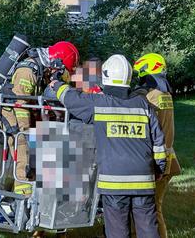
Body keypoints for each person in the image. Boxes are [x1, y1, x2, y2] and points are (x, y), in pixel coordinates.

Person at [50, 54, 167, 238]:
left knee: (118, 231)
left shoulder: (98, 104)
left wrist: (56, 83)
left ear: (105, 77)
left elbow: (71, 98)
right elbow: (159, 141)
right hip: (144, 179)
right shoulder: (143, 105)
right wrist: (159, 168)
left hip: (114, 183)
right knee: (148, 229)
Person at [1, 41, 79, 196]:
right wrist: (26, 132)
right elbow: (20, 104)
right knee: (23, 158)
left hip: (24, 119)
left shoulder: (40, 70)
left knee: (32, 159)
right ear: (57, 62)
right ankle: (22, 201)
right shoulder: (28, 71)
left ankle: (30, 199)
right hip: (14, 120)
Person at [133, 53, 181, 238]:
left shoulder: (150, 97)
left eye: (140, 75)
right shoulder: (165, 94)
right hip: (168, 160)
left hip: (156, 163)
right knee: (153, 208)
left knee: (151, 210)